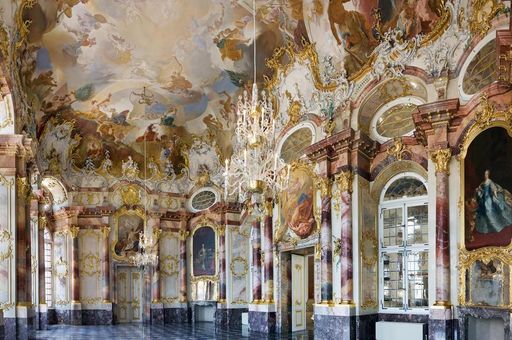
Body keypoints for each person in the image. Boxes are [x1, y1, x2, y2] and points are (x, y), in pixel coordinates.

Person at [474, 170, 512, 234]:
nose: (485, 175)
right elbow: (480, 189)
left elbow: (494, 189)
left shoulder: (490, 181)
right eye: (485, 174)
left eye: (486, 174)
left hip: (489, 197)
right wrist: (478, 190)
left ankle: (496, 226)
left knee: (489, 209)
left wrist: (496, 196)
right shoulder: (483, 182)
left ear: (488, 175)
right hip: (484, 198)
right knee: (483, 210)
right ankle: (486, 227)